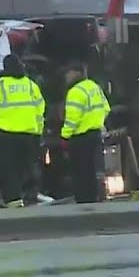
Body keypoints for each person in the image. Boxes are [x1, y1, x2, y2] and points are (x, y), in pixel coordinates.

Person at [0, 54, 45, 208]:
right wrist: (38, 134)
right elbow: (40, 111)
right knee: (23, 168)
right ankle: (27, 195)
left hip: (6, 135)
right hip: (28, 135)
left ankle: (13, 201)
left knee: (7, 169)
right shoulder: (31, 85)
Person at [61, 63, 111, 203]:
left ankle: (83, 200)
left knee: (80, 172)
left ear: (77, 72)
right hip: (95, 135)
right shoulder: (94, 87)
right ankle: (92, 199)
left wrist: (64, 136)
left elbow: (72, 119)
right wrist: (96, 121)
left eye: (68, 72)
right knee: (91, 170)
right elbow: (106, 108)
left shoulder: (75, 92)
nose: (66, 76)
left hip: (80, 138)